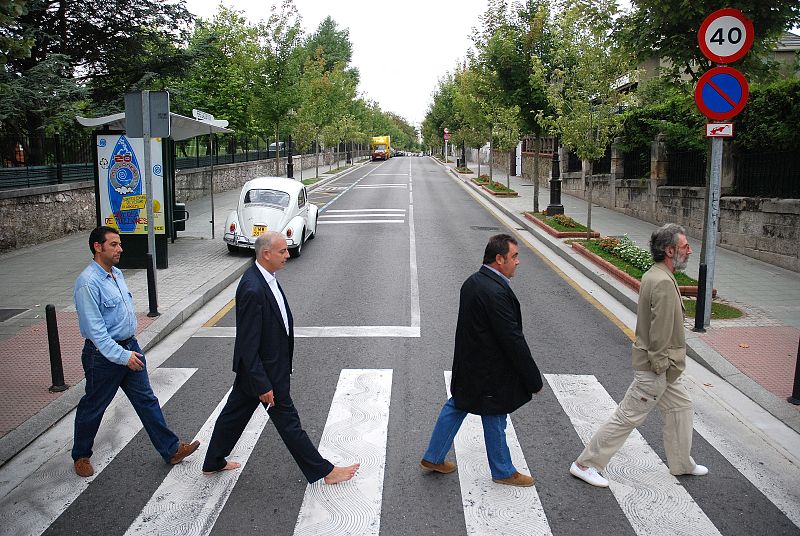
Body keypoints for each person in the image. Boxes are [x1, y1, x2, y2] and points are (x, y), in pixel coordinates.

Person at [202, 231, 359, 484]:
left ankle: (212, 462)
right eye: (282, 251)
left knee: (233, 415)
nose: (288, 255)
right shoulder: (253, 288)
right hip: (265, 372)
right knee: (289, 423)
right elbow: (247, 343)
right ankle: (326, 472)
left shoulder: (266, 277)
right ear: (266, 254)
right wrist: (263, 383)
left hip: (257, 370)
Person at [569, 223, 708, 487]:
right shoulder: (663, 283)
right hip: (657, 368)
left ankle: (681, 463)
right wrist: (659, 366)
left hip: (666, 368)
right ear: (669, 250)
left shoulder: (655, 274)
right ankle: (585, 464)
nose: (689, 251)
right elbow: (660, 333)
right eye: (685, 247)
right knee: (627, 417)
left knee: (682, 408)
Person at [72, 226, 199, 477]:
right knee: (94, 406)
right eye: (114, 245)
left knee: (146, 400)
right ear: (98, 247)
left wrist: (131, 348)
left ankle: (171, 449)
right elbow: (96, 332)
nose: (120, 249)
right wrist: (122, 356)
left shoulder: (117, 274)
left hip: (130, 347)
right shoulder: (87, 284)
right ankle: (81, 455)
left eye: (119, 244)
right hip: (103, 356)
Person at [420, 234, 543, 487]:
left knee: (457, 405)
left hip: (469, 364)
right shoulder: (495, 292)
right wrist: (533, 379)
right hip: (489, 370)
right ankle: (503, 471)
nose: (518, 262)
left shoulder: (473, 282)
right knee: (496, 414)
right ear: (499, 259)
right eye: (514, 256)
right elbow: (512, 339)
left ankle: (433, 457)